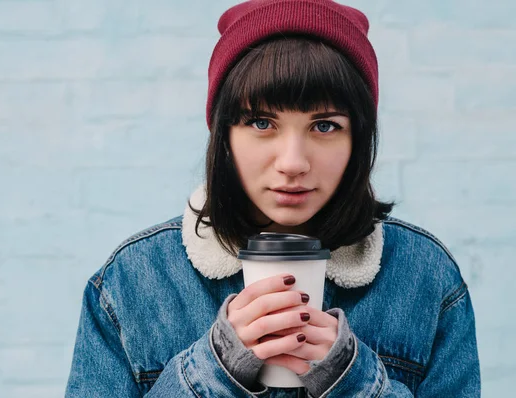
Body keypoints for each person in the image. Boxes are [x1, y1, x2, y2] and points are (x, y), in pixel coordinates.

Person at [65, 0, 481, 396]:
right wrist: (216, 367)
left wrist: (350, 379)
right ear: (224, 135)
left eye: (325, 126)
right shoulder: (135, 279)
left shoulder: (423, 275)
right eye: (262, 122)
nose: (293, 162)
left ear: (359, 138)